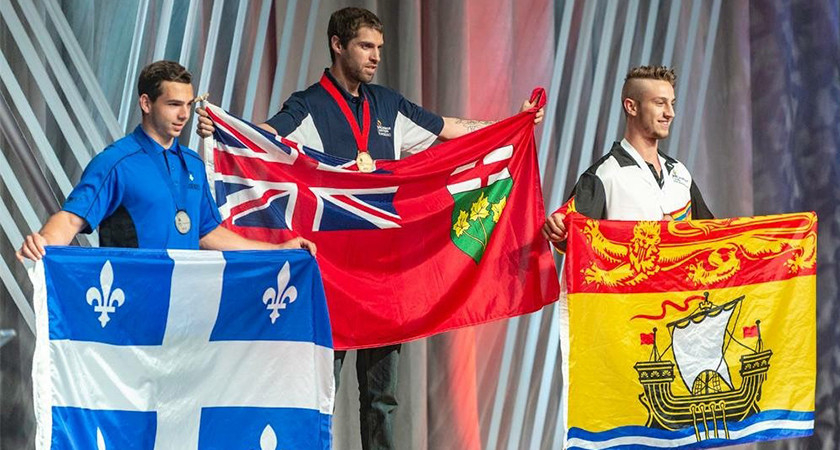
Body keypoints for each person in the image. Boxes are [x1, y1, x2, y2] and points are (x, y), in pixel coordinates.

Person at [194, 7, 543, 449]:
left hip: (384, 273)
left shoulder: (389, 105)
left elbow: (450, 130)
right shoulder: (307, 106)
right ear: (338, 45)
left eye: (379, 48)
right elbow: (261, 140)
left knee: (382, 397)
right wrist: (220, 129)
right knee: (324, 389)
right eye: (365, 46)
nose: (375, 57)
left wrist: (512, 123)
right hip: (332, 275)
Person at [17, 60, 315, 262]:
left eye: (188, 104)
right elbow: (71, 218)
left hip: (185, 311)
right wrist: (43, 241)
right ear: (146, 103)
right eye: (173, 105)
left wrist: (277, 250)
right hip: (132, 308)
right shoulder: (116, 162)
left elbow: (206, 233)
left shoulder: (193, 164)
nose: (184, 115)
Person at [542, 65, 712, 247]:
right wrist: (557, 229)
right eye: (660, 103)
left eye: (672, 103)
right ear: (631, 107)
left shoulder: (680, 173)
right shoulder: (604, 175)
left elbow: (713, 235)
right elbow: (568, 236)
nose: (670, 113)